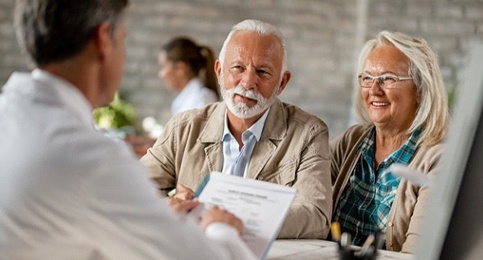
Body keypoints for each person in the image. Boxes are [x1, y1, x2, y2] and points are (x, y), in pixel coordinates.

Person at [0, 1, 256, 259]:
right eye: (123, 39)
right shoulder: (89, 158)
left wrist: (153, 218)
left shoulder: (10, 114)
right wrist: (219, 227)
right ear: (102, 39)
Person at [141, 19, 332, 239]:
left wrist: (233, 219)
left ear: (282, 83)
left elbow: (316, 216)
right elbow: (132, 189)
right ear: (219, 71)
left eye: (262, 72)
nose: (248, 81)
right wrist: (169, 205)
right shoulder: (183, 127)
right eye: (238, 68)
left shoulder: (309, 134)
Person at [331, 31, 449, 252]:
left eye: (387, 79)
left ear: (420, 91)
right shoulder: (350, 142)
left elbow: (416, 253)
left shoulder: (437, 160)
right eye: (367, 78)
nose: (374, 90)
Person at [158, 36, 220, 115]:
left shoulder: (201, 99)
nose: (161, 75)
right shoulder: (185, 100)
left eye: (163, 67)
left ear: (180, 69)